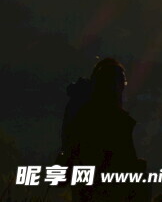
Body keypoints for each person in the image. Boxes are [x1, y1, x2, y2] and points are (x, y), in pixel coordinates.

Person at [60, 58, 147, 201]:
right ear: (116, 86)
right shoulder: (115, 119)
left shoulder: (81, 112)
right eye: (122, 84)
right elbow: (124, 160)